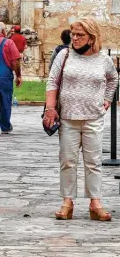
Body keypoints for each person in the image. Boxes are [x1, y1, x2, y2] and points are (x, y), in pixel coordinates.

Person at [44, 17, 118, 221]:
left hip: (93, 117)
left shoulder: (103, 59)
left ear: (92, 38)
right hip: (68, 117)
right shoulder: (64, 55)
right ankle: (67, 201)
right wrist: (51, 108)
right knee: (68, 161)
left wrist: (107, 99)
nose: (74, 38)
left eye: (80, 35)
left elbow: (113, 78)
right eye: (73, 34)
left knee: (93, 162)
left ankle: (95, 202)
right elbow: (52, 80)